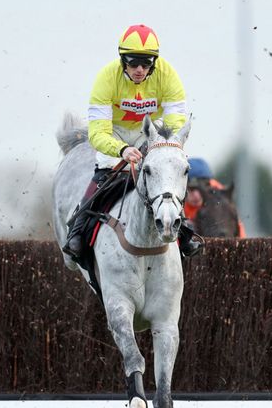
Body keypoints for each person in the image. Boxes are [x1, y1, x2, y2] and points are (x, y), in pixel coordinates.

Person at [62, 24, 202, 259]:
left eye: (146, 63)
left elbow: (176, 125)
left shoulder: (168, 75)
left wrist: (161, 147)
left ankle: (183, 231)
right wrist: (122, 150)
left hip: (151, 135)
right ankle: (78, 229)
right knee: (105, 173)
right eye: (133, 62)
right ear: (122, 60)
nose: (139, 69)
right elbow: (97, 133)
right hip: (113, 134)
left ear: (154, 63)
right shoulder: (106, 78)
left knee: (166, 175)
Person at [184, 157, 246, 237]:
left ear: (209, 185)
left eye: (201, 189)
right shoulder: (173, 197)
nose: (196, 196)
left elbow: (240, 236)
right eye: (191, 189)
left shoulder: (222, 200)